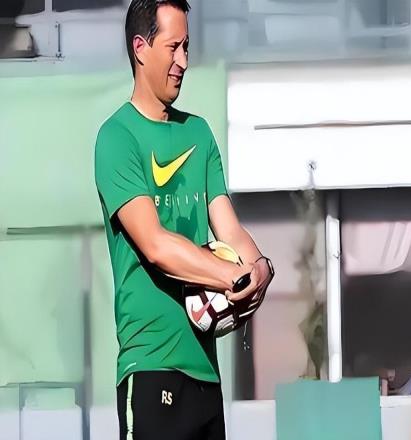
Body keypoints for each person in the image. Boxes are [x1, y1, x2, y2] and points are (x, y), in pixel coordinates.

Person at [94, 1, 274, 438]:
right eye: (173, 47)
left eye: (187, 47)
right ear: (140, 48)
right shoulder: (117, 138)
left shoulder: (199, 133)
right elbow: (156, 246)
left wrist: (261, 269)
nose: (184, 61)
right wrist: (231, 277)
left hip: (206, 377)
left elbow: (230, 229)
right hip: (149, 368)